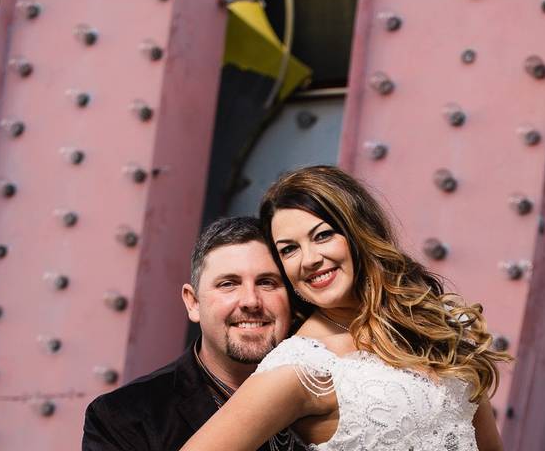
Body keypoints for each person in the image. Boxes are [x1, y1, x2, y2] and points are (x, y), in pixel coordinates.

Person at [180, 165, 510, 451]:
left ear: (358, 233)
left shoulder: (433, 323)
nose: (309, 260)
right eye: (289, 249)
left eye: (323, 235)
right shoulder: (301, 367)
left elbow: (489, 447)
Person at [82, 216, 305, 451]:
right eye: (228, 284)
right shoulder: (122, 417)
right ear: (193, 303)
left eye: (267, 282)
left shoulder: (333, 393)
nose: (251, 301)